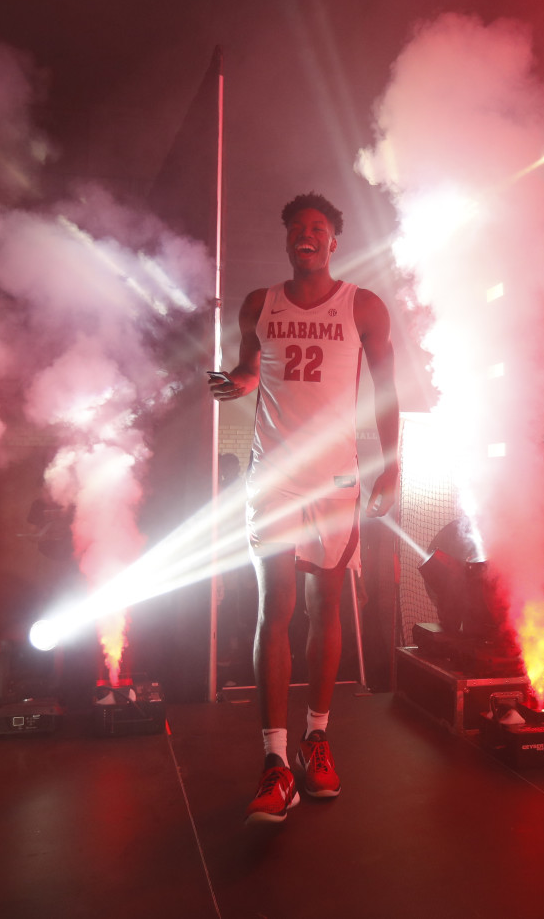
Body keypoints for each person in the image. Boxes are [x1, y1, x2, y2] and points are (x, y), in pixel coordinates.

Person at [209, 192, 399, 824]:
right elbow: (248, 369)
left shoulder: (363, 305)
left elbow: (387, 386)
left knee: (328, 605)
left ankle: (318, 738)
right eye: (297, 228)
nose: (307, 235)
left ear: (333, 241)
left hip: (337, 479)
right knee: (276, 607)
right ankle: (274, 761)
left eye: (318, 227)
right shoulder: (259, 303)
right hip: (275, 477)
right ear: (287, 240)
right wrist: (233, 383)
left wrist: (392, 460)